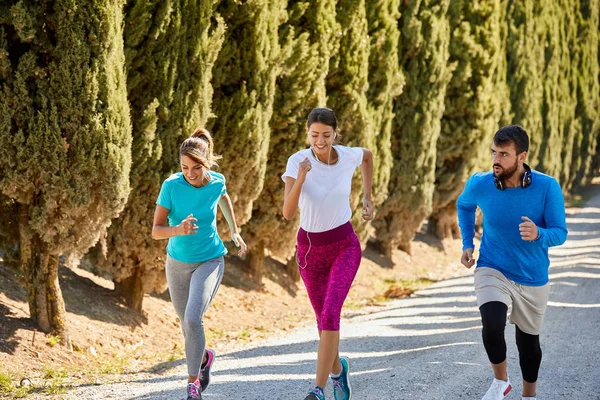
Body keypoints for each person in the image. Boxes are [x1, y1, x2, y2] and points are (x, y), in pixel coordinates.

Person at [456, 125, 567, 400]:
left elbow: (560, 232)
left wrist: (539, 234)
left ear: (522, 156)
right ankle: (500, 382)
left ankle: (529, 395)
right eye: (494, 152)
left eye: (504, 154)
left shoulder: (547, 187)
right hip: (493, 267)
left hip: (532, 276)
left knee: (528, 344)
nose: (496, 159)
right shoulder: (480, 183)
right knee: (491, 322)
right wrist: (468, 243)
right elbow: (464, 205)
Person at [282, 107, 374, 400]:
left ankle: (318, 389)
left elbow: (368, 156)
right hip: (309, 252)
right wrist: (300, 177)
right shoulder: (298, 160)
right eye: (314, 135)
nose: (319, 141)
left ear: (336, 134)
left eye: (325, 135)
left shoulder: (347, 155)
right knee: (324, 323)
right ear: (307, 133)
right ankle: (338, 371)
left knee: (331, 313)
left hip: (344, 245)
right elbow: (286, 212)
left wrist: (368, 197)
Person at [152, 128, 247, 400]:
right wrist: (177, 230)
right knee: (187, 326)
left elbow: (224, 197)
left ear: (206, 163)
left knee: (193, 319)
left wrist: (234, 230)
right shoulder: (171, 186)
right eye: (184, 167)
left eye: (196, 167)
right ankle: (204, 357)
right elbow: (156, 230)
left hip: (210, 259)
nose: (190, 173)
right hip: (177, 264)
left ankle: (192, 384)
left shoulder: (217, 181)